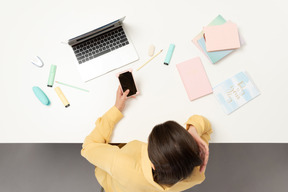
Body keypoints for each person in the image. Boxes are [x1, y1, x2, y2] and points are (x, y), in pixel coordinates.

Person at [81, 86, 213, 192]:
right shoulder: (196, 173)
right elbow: (205, 124)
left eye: (150, 143)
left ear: (153, 164)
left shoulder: (121, 164)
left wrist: (116, 109)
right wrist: (193, 131)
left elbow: (88, 146)